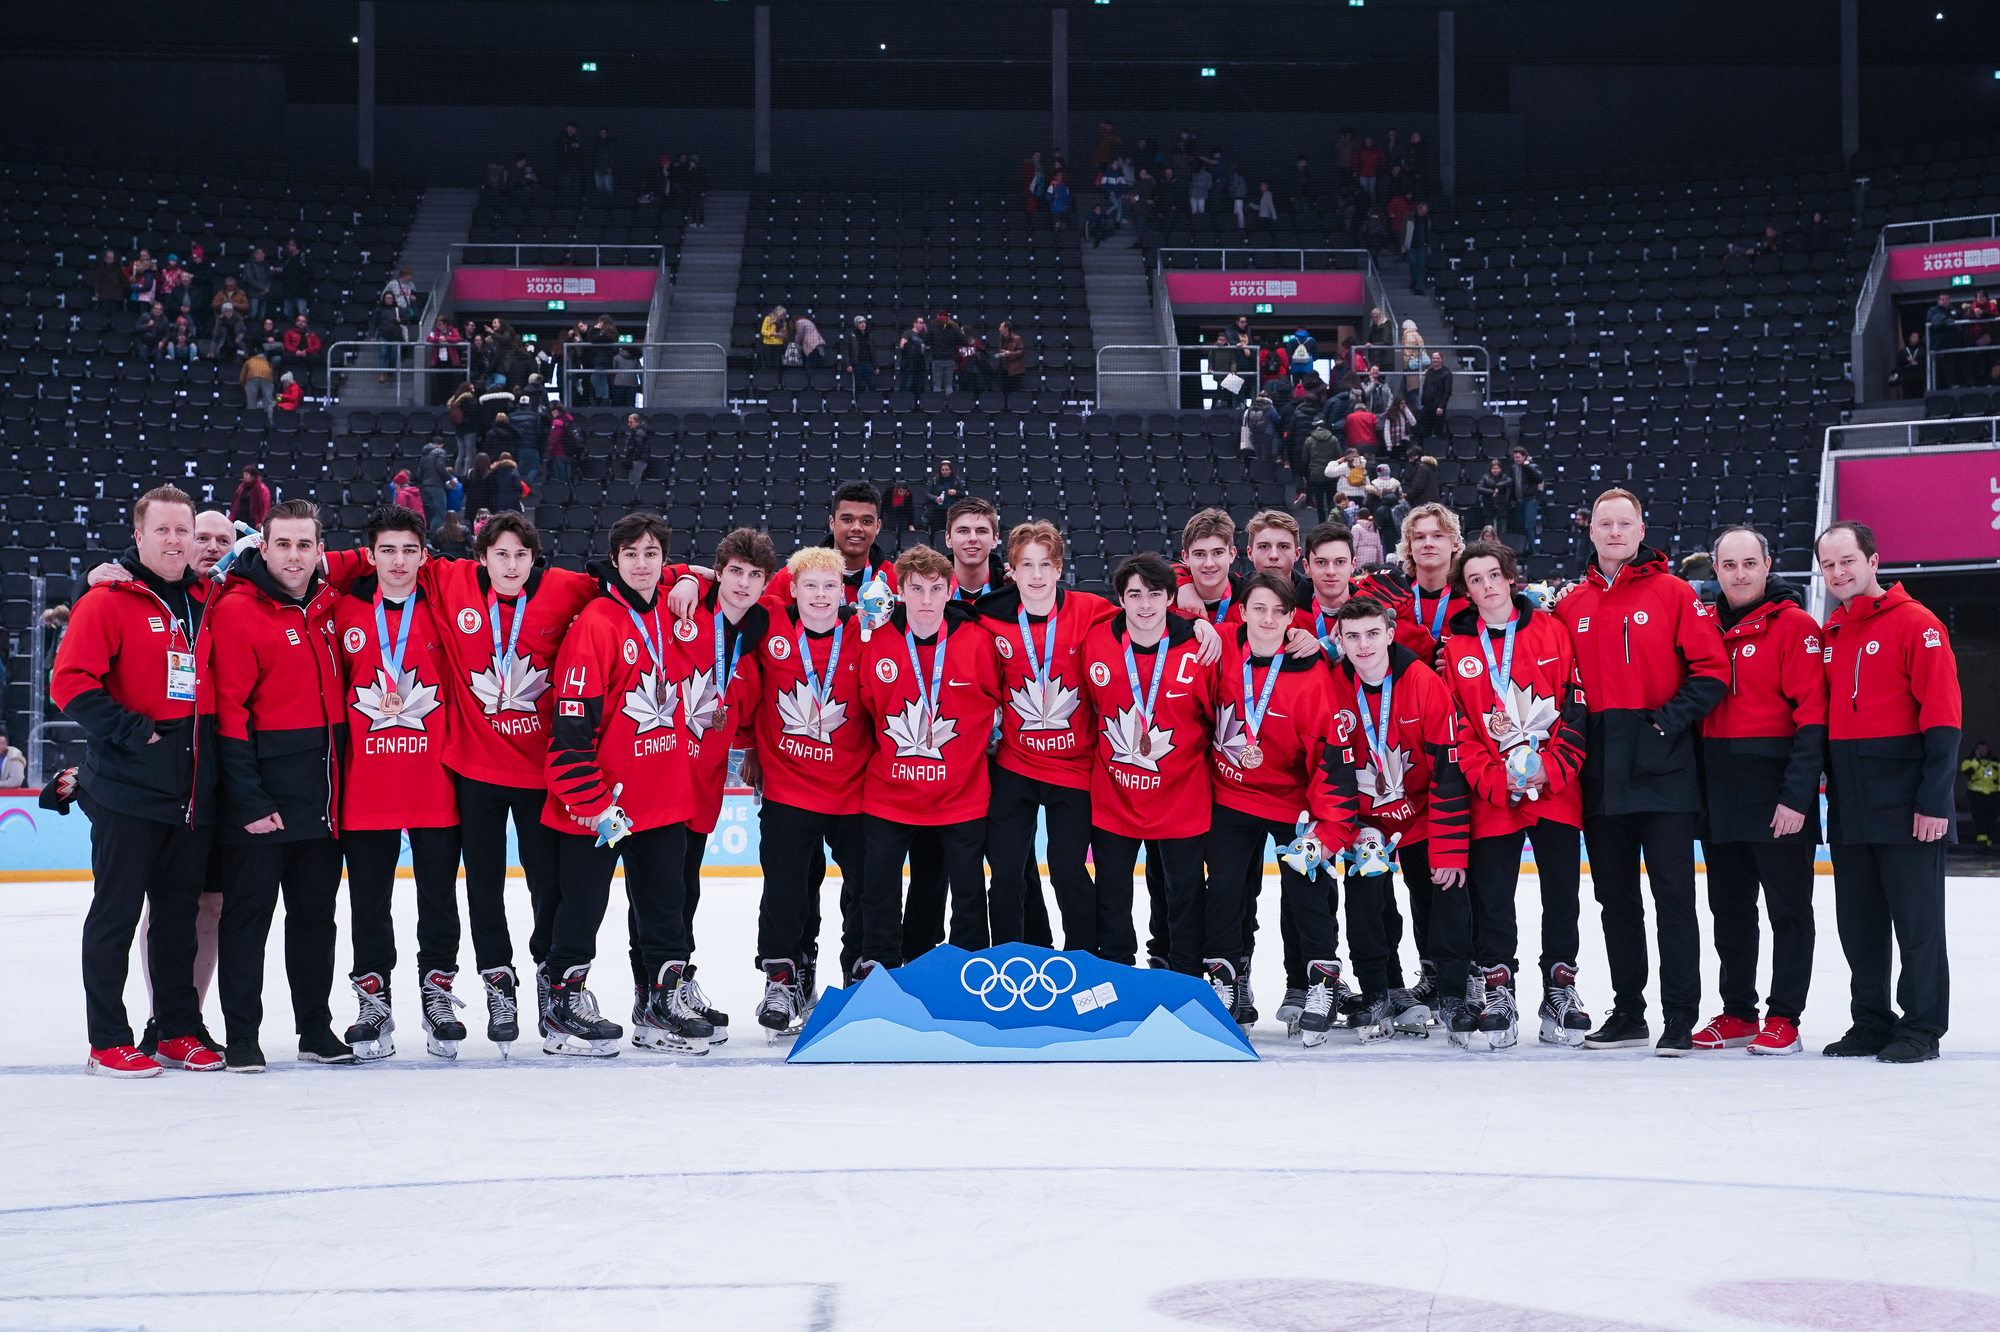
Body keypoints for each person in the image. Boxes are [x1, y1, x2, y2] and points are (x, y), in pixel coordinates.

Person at [50, 488, 224, 1077]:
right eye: (165, 531)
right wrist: (135, 731)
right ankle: (107, 1040)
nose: (177, 541)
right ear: (140, 535)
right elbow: (69, 683)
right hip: (128, 790)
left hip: (192, 791)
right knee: (116, 916)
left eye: (186, 531)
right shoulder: (109, 600)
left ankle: (176, 1030)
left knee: (177, 921)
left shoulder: (207, 598)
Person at [1554, 489, 1729, 1055]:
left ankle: (1679, 1016)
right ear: (1591, 532)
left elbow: (1711, 671)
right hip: (1600, 771)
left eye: (1623, 523)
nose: (1614, 533)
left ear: (1640, 528)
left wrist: (1664, 724)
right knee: (1615, 898)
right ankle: (1629, 1011)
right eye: (1604, 524)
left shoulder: (1675, 593)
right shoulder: (1569, 605)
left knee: (1674, 896)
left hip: (1665, 770)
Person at [540, 512, 715, 1056]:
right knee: (584, 905)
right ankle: (564, 1003)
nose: (642, 564)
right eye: (631, 555)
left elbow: (711, 574)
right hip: (604, 805)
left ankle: (659, 1000)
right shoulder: (596, 621)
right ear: (614, 561)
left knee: (666, 904)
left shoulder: (671, 602)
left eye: (652, 554)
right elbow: (571, 725)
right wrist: (589, 802)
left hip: (661, 797)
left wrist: (693, 577)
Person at [205, 500, 354, 1071]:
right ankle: (243, 1035)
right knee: (247, 919)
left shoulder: (328, 604)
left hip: (323, 801)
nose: (294, 556)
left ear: (320, 551)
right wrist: (249, 798)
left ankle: (315, 1029)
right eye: (283, 545)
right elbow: (229, 713)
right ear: (261, 547)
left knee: (315, 920)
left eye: (305, 545)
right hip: (262, 802)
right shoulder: (237, 610)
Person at [1817, 520, 1961, 1063]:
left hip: (1907, 804)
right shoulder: (1831, 632)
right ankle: (1871, 1022)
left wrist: (1932, 801)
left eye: (1847, 561)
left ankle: (1922, 1027)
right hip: (1852, 804)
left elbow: (1944, 720)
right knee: (1860, 925)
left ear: (1874, 561)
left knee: (1917, 924)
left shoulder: (1917, 624)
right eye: (1828, 565)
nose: (1838, 573)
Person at [1442, 541, 1592, 1052]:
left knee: (1561, 896)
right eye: (1475, 579)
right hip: (1493, 793)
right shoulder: (1456, 648)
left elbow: (1576, 708)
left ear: (1510, 577)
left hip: (1554, 789)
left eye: (1493, 575)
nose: (1486, 586)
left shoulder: (1554, 632)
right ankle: (1498, 988)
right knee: (1494, 895)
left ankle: (1559, 988)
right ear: (1467, 589)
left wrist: (1548, 772)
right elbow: (1459, 726)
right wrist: (1495, 778)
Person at [331, 506, 468, 1061]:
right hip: (367, 786)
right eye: (387, 550)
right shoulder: (341, 610)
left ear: (424, 555)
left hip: (434, 781)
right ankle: (374, 1000)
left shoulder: (441, 609)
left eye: (410, 550)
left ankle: (437, 995)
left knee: (438, 899)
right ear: (370, 555)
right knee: (369, 902)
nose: (399, 561)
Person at [1690, 526, 1829, 1057]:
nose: (1740, 574)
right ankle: (1738, 1012)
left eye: (1750, 563)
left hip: (1776, 792)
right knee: (1729, 910)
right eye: (1729, 565)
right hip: (1719, 789)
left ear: (1768, 564)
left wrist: (1796, 797)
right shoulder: (1703, 625)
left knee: (1788, 911)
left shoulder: (1795, 626)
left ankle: (1784, 1016)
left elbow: (1813, 717)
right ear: (1717, 569)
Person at [1203, 574, 1359, 1039]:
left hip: (1292, 802)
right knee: (1226, 888)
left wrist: (1327, 828)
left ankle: (1321, 979)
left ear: (1293, 618)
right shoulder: (1221, 645)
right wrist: (1196, 626)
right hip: (1230, 794)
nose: (1268, 620)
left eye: (1279, 611)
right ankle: (1226, 979)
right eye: (1259, 609)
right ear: (1242, 610)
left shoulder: (1312, 674)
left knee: (1306, 886)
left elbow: (1328, 756)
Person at [851, 544, 1007, 978]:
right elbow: (865, 706)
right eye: (915, 588)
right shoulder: (876, 638)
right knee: (878, 886)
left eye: (935, 589)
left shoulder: (977, 639)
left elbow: (999, 699)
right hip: (889, 791)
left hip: (961, 793)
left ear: (948, 589)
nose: (925, 600)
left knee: (968, 890)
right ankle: (880, 966)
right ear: (899, 590)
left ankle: (969, 971)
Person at [970, 522, 1121, 953]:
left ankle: (1083, 959)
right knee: (1005, 872)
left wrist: (1194, 625)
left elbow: (1147, 617)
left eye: (1045, 565)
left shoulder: (1092, 609)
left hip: (1074, 769)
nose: (1036, 576)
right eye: (1026, 565)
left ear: (1060, 569)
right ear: (1011, 572)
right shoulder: (991, 617)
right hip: (1015, 765)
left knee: (1068, 870)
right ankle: (1006, 961)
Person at [1330, 594, 1469, 1042]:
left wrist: (1448, 849)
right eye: (1353, 636)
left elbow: (1448, 769)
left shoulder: (1423, 682)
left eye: (1373, 633)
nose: (1364, 645)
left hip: (1424, 813)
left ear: (1390, 634)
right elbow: (1327, 765)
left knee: (1441, 894)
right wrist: (1347, 828)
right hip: (1366, 821)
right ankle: (1377, 990)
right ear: (1340, 640)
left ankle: (1450, 990)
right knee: (1365, 900)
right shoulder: (1331, 685)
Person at [740, 546, 872, 1009]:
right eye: (809, 586)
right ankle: (783, 976)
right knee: (785, 889)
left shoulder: (866, 633)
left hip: (853, 788)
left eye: (829, 586)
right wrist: (690, 579)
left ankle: (860, 972)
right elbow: (722, 585)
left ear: (843, 592)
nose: (820, 595)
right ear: (791, 590)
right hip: (788, 785)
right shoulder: (770, 621)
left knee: (865, 889)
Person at [1078, 553, 1219, 972]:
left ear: (1170, 598)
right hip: (1114, 796)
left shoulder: (1198, 646)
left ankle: (1185, 975)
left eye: (1154, 594)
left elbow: (1212, 715)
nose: (1144, 605)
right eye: (1134, 594)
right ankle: (1117, 972)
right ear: (1120, 599)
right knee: (1113, 893)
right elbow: (1089, 707)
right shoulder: (1097, 640)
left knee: (1184, 894)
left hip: (1182, 796)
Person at [761, 481, 899, 609]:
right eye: (847, 519)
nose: (857, 527)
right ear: (832, 523)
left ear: (878, 526)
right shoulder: (791, 577)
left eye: (867, 521)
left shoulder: (896, 580)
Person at [1965, 741, 2000, 852]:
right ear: (1976, 750)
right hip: (1977, 794)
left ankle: (1989, 842)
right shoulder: (1970, 761)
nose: (1983, 751)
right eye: (1980, 749)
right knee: (1979, 818)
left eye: (1984, 749)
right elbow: (1966, 771)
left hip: (1993, 794)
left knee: (1992, 819)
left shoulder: (1994, 762)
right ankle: (1982, 843)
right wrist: (1976, 759)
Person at [1507, 447, 1544, 539]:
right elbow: (1513, 484)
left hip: (1530, 499)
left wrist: (1528, 467)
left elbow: (1539, 479)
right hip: (1519, 500)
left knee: (1528, 526)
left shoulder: (1532, 466)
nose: (1516, 459)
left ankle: (1532, 549)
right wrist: (1512, 498)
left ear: (1524, 457)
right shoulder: (1514, 468)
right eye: (1515, 457)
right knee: (1522, 526)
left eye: (1518, 457)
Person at [1418, 351, 1451, 439]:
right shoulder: (1429, 372)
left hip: (1438, 406)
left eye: (1437, 358)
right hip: (1427, 406)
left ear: (1442, 360)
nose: (1435, 360)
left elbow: (1447, 391)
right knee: (1425, 430)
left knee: (1438, 431)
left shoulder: (1446, 373)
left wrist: (1441, 406)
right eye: (1434, 358)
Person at [925, 460, 965, 533]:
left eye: (947, 470)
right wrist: (935, 498)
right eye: (943, 470)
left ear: (950, 470)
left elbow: (963, 494)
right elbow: (928, 494)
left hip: (951, 511)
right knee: (937, 532)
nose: (945, 472)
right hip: (937, 512)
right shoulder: (935, 481)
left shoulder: (956, 480)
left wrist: (956, 492)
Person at [613, 412, 651, 486]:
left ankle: (636, 496)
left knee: (634, 482)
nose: (629, 424)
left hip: (638, 461)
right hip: (637, 460)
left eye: (631, 422)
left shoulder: (640, 433)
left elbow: (639, 448)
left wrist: (633, 458)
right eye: (628, 422)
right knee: (634, 481)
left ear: (637, 422)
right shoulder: (637, 432)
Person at [840, 316, 877, 392]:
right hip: (857, 364)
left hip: (868, 363)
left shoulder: (870, 335)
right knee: (859, 386)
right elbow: (845, 350)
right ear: (856, 324)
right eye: (860, 323)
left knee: (872, 384)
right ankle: (859, 402)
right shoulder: (851, 335)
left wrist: (876, 365)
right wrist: (847, 364)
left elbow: (873, 351)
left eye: (864, 322)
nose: (863, 324)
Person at [759, 306, 790, 373]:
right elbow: (763, 331)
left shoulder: (783, 322)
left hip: (779, 344)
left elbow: (784, 331)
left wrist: (783, 335)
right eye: (782, 315)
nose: (783, 317)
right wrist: (771, 334)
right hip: (768, 344)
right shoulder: (768, 319)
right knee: (769, 363)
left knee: (777, 364)